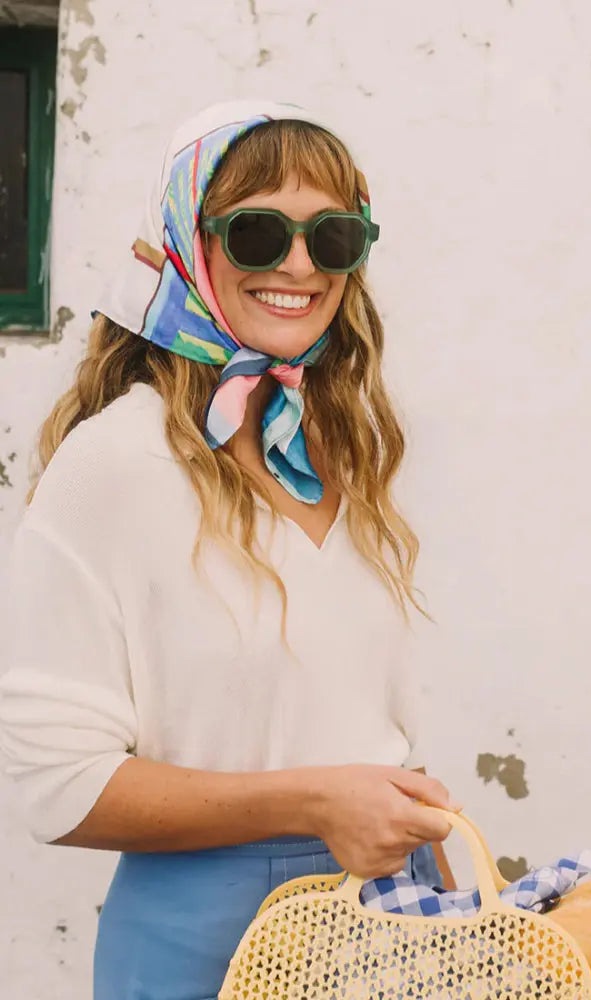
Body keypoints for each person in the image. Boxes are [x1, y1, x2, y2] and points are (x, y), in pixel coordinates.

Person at [0, 100, 457, 1000]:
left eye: (333, 236)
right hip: (204, 944)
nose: (300, 265)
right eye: (257, 232)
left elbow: (372, 731)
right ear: (185, 244)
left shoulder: (341, 452)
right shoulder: (117, 462)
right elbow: (57, 785)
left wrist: (434, 875)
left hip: (386, 929)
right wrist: (314, 804)